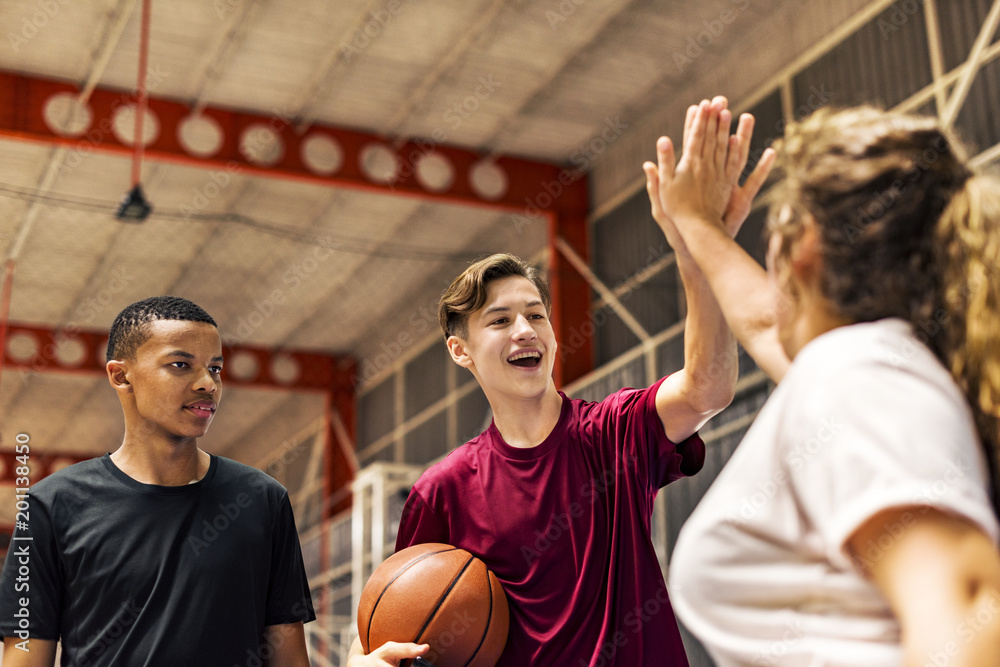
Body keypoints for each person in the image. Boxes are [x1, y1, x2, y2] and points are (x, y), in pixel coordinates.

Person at [348, 110, 772, 665]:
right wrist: (360, 659)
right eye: (499, 321)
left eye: (535, 315)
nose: (525, 330)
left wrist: (699, 249)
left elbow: (707, 389)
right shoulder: (444, 489)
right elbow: (393, 605)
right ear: (461, 352)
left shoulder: (614, 432)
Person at [643, 97, 1000, 665]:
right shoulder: (871, 372)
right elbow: (766, 324)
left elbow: (970, 610)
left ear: (803, 242)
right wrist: (696, 225)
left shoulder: (858, 370)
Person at [0, 296, 315, 666]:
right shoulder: (48, 507)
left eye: (215, 369)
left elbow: (289, 658)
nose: (207, 384)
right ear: (120, 375)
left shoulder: (263, 500)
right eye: (181, 365)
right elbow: (25, 657)